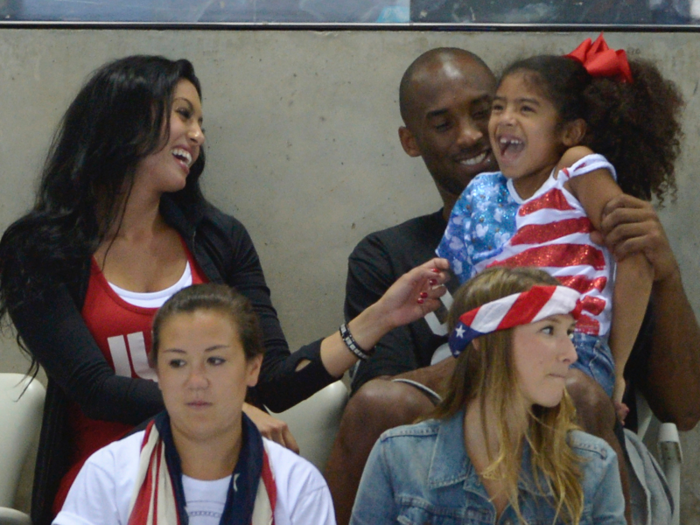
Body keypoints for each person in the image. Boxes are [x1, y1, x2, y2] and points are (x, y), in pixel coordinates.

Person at [0, 55, 450, 524]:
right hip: (107, 488)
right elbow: (92, 388)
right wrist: (221, 410)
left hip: (224, 480)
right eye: (183, 114)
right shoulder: (40, 249)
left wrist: (380, 317)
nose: (197, 135)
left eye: (200, 122)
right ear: (125, 118)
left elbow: (271, 376)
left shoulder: (218, 239)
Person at [325, 47, 700, 525]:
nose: (477, 132)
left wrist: (663, 273)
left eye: (489, 111)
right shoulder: (391, 256)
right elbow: (393, 407)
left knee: (579, 392)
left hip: (576, 461)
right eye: (443, 124)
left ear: (567, 131)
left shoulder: (586, 233)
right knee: (374, 402)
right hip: (444, 466)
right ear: (410, 139)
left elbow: (685, 410)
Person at [437, 35, 683, 413]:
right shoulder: (481, 191)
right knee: (388, 399)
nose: (505, 119)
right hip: (494, 351)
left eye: (526, 109)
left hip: (573, 350)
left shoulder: (574, 168)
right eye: (498, 107)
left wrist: (615, 369)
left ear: (570, 133)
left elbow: (637, 257)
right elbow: (458, 279)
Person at [351, 266, 626, 525]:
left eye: (569, 333)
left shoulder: (593, 465)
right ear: (483, 340)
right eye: (548, 330)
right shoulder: (399, 457)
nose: (571, 354)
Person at [53, 283, 336, 525]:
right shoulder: (109, 472)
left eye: (215, 361)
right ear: (158, 373)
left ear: (253, 368)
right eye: (177, 363)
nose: (196, 381)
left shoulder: (298, 484)